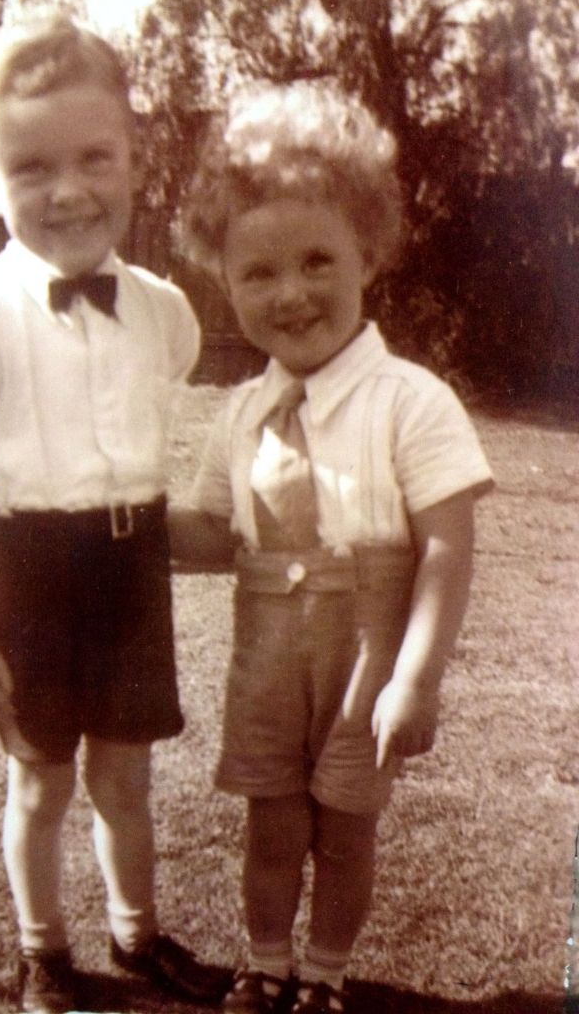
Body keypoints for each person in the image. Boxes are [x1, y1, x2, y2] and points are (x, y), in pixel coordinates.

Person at [0, 14, 225, 1014]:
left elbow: (165, 402)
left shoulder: (164, 312)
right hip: (27, 573)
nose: (69, 189)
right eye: (32, 165)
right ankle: (42, 947)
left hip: (129, 570)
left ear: (136, 158)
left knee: (127, 781)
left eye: (95, 156)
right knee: (42, 784)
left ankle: (137, 934)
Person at [169, 80, 495, 1014]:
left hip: (367, 659)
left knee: (345, 832)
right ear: (222, 280)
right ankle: (265, 962)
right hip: (268, 660)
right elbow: (207, 534)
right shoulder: (242, 412)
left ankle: (324, 977)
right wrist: (110, 523)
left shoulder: (410, 400)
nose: (292, 292)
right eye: (258, 272)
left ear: (370, 253)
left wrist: (415, 678)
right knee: (272, 826)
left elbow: (444, 548)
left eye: (318, 260)